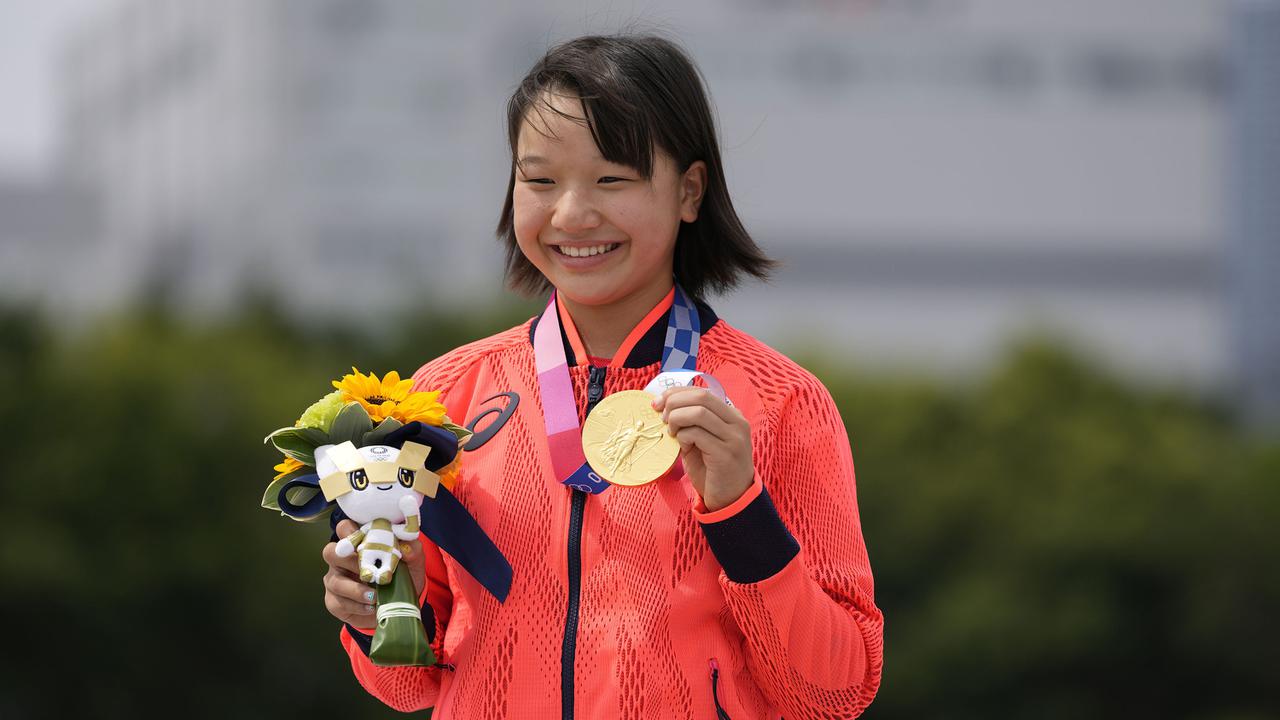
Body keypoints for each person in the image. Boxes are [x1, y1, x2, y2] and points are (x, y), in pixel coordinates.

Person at [320, 33, 883, 719]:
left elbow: (833, 694)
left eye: (612, 179)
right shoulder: (443, 396)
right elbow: (409, 686)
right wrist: (378, 613)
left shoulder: (782, 402)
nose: (572, 214)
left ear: (690, 191)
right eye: (540, 180)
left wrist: (741, 511)